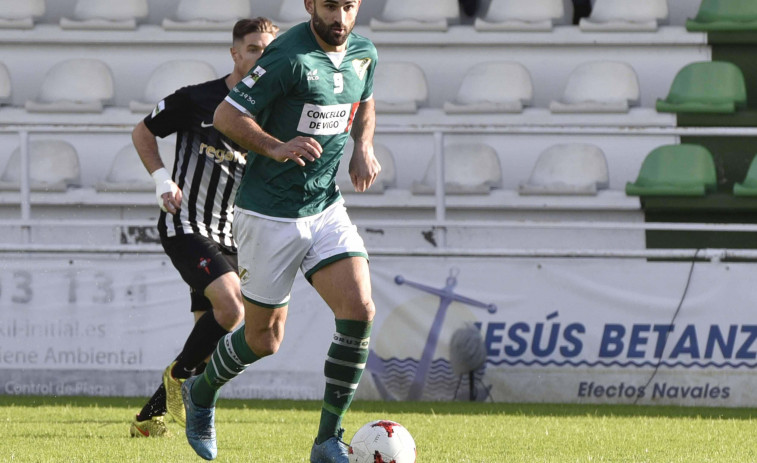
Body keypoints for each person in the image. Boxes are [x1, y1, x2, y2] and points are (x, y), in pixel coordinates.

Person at [180, 0, 379, 461]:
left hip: (325, 206)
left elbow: (365, 98)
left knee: (360, 309)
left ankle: (327, 440)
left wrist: (362, 147)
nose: (340, 18)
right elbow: (227, 117)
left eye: (349, 6)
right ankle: (201, 392)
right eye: (330, 6)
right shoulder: (288, 56)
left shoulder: (364, 53)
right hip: (269, 212)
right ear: (310, 4)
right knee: (263, 339)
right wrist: (276, 147)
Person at [128, 17, 279, 438]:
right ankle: (176, 378)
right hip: (187, 224)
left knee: (207, 347)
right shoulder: (199, 99)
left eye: (269, 50)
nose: (261, 57)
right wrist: (162, 179)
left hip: (233, 237)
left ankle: (149, 417)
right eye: (253, 49)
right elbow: (143, 131)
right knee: (233, 309)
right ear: (235, 53)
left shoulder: (273, 114)